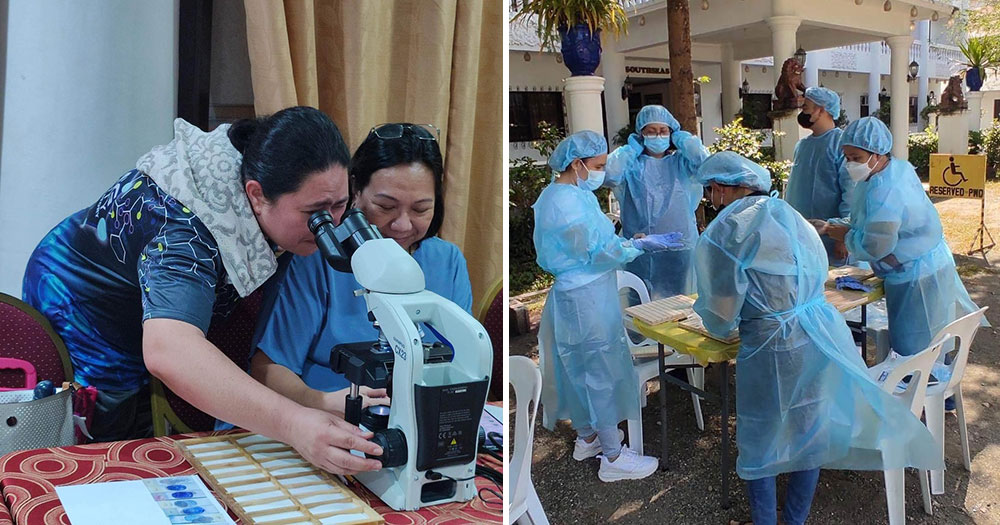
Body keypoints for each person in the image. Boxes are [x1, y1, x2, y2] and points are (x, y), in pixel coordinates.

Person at [22, 106, 383, 475]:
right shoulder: (183, 230)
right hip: (83, 300)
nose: (332, 224)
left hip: (143, 300)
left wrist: (313, 402)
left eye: (341, 205)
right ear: (256, 196)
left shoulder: (260, 166)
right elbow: (169, 352)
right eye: (316, 212)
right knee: (114, 439)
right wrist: (294, 423)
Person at [693, 151, 941, 525]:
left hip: (770, 344)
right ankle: (794, 519)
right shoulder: (789, 215)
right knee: (808, 430)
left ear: (723, 189)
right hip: (818, 332)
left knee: (762, 432)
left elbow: (720, 312)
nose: (711, 199)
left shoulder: (727, 230)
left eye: (711, 190)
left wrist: (715, 324)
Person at [249, 123, 472, 413]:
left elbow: (462, 358)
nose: (402, 225)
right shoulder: (318, 257)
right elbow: (268, 368)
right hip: (323, 418)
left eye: (420, 210)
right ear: (354, 191)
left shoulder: (448, 261)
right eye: (385, 206)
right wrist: (322, 403)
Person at [535, 130, 681, 482]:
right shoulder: (567, 204)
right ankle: (613, 457)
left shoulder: (560, 195)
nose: (601, 173)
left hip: (575, 293)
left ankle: (588, 438)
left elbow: (594, 242)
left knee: (577, 367)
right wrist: (636, 247)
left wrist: (631, 241)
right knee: (599, 369)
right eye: (598, 166)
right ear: (577, 163)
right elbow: (600, 250)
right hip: (586, 296)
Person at [816, 117, 982, 358]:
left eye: (856, 158)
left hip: (916, 276)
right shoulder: (889, 170)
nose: (849, 164)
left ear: (877, 153)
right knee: (934, 339)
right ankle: (934, 389)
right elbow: (867, 220)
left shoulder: (886, 189)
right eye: (847, 157)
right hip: (924, 265)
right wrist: (833, 225)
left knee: (916, 350)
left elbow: (876, 244)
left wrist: (845, 235)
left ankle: (923, 392)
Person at [605, 105, 708, 299]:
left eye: (663, 131)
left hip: (680, 246)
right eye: (651, 132)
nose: (658, 136)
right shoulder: (632, 165)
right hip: (639, 248)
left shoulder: (681, 163)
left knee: (680, 304)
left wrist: (684, 140)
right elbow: (609, 174)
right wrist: (630, 150)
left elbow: (706, 165)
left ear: (671, 132)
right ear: (640, 134)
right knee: (640, 304)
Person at [783, 87, 855, 266]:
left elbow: (851, 194)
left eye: (806, 107)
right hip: (802, 233)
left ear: (821, 110)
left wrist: (842, 235)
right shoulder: (802, 145)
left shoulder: (841, 144)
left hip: (831, 238)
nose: (802, 112)